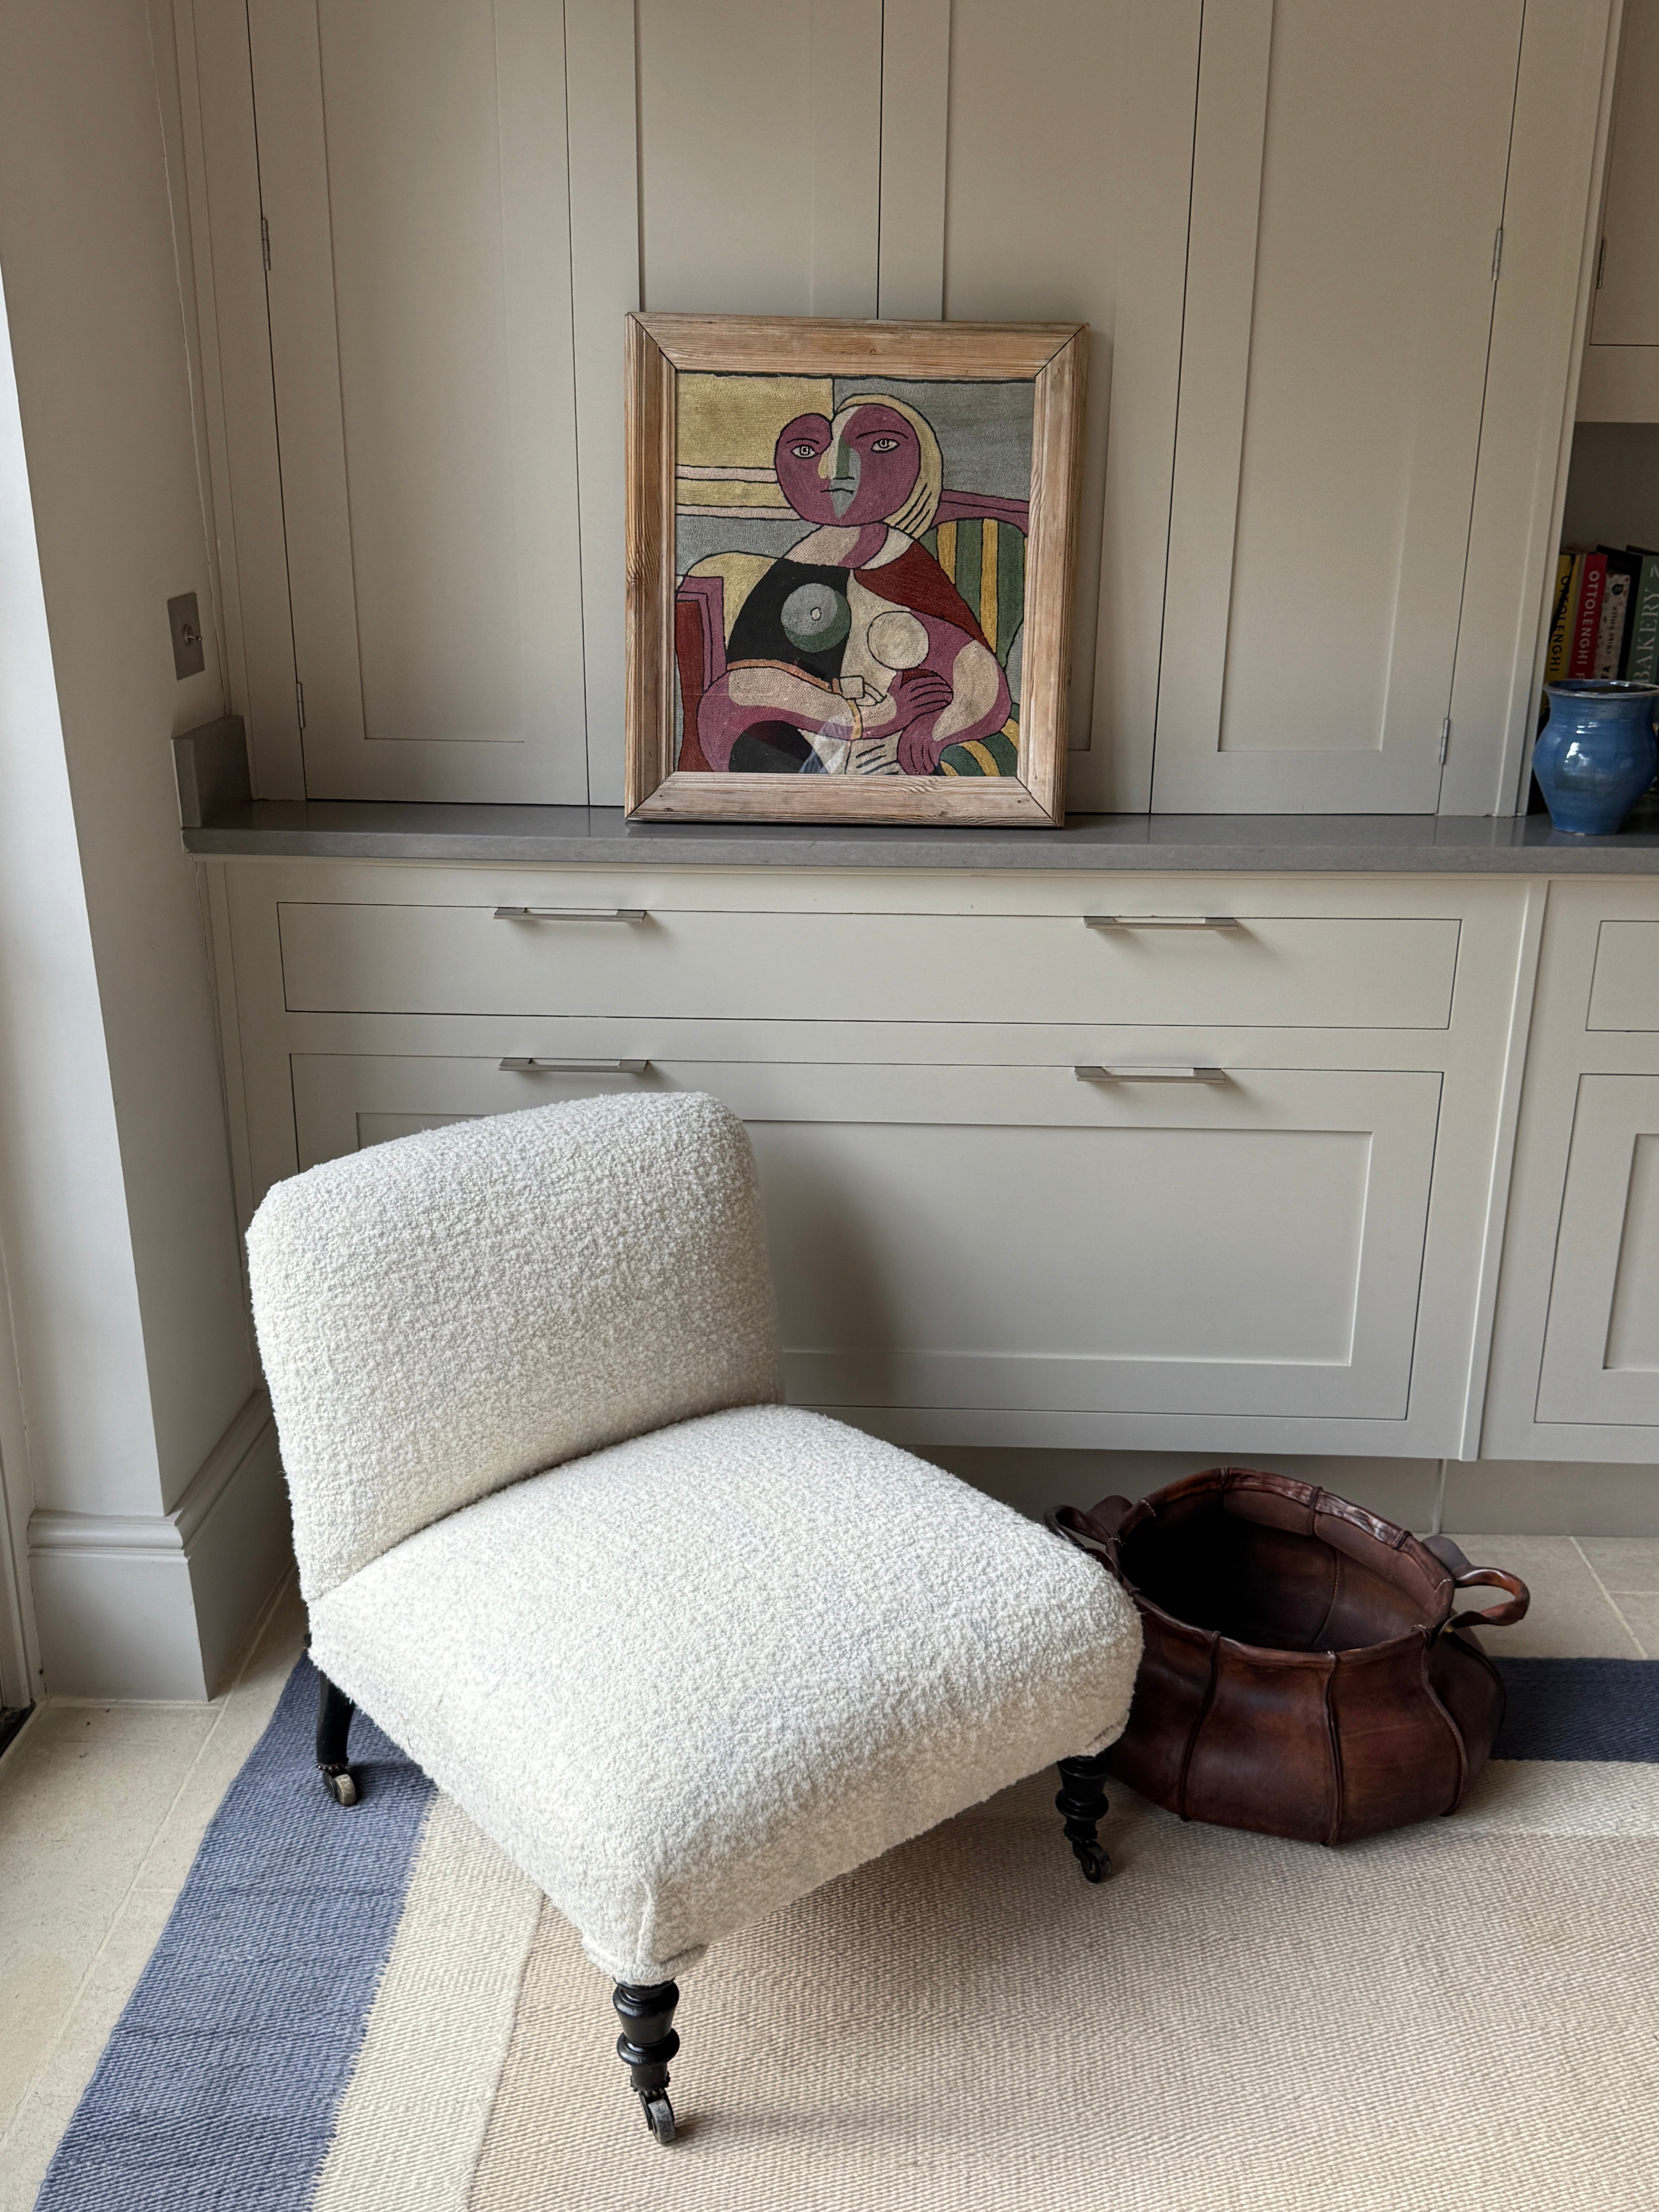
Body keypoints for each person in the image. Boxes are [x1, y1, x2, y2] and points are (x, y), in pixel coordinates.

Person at [690, 395, 1012, 776]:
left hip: (891, 758)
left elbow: (979, 680)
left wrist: (936, 730)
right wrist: (872, 716)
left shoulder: (905, 565)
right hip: (812, 745)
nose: (835, 471)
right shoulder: (797, 567)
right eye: (808, 451)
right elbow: (739, 693)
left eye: (881, 446)